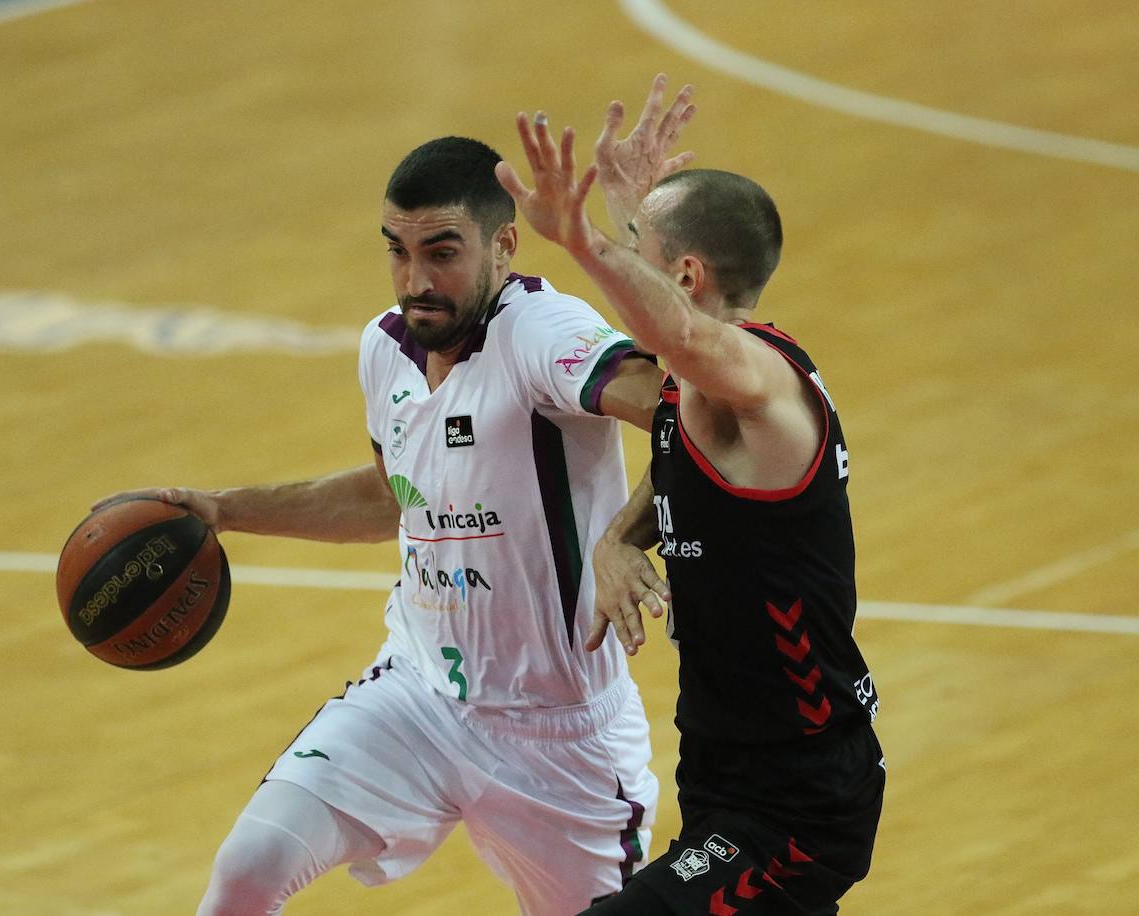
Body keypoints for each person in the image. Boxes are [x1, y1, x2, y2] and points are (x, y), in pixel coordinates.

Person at [94, 122, 695, 914]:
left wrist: (623, 538)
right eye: (398, 251)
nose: (415, 280)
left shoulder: (541, 334)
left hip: (562, 741)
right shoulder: (385, 347)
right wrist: (223, 510)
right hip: (418, 699)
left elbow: (685, 412)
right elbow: (394, 496)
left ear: (504, 246)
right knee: (250, 865)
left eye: (442, 253)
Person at [495, 75, 886, 914]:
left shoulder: (758, 383)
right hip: (723, 770)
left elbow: (673, 327)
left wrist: (580, 239)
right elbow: (676, 444)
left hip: (798, 803)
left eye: (635, 245)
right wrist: (618, 538)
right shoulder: (693, 396)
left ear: (685, 272)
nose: (619, 254)